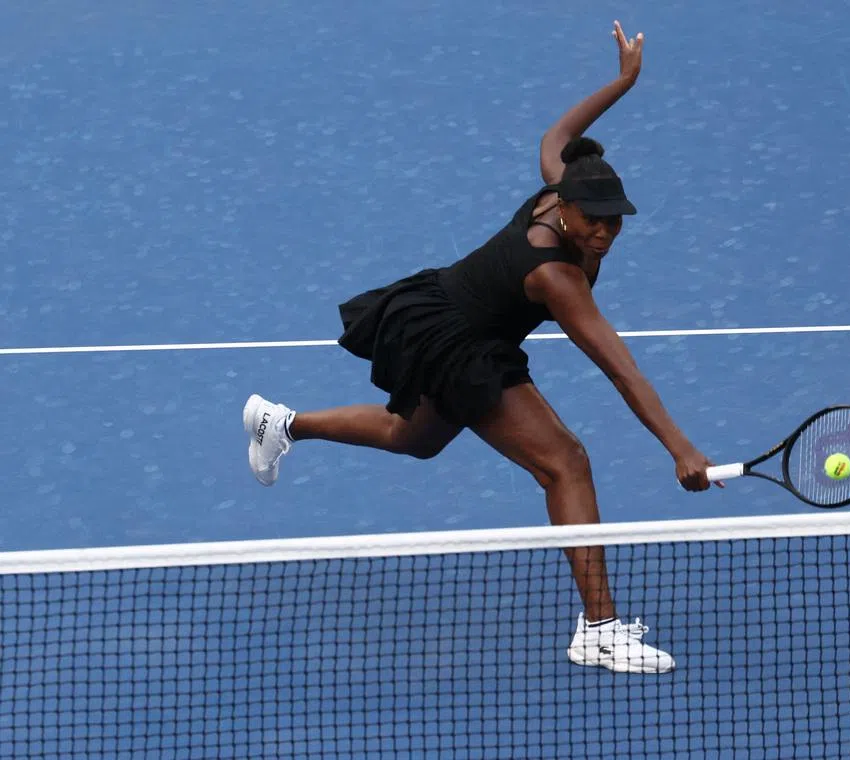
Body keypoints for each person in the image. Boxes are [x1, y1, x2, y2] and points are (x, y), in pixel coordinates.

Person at [243, 21, 718, 674]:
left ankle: (281, 424)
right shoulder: (556, 277)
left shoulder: (561, 185)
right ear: (567, 208)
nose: (606, 233)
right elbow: (621, 371)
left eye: (616, 222)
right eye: (595, 221)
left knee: (412, 437)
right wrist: (679, 447)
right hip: (461, 343)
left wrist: (623, 82)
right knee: (566, 463)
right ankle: (599, 630)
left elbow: (555, 136)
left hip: (450, 313)